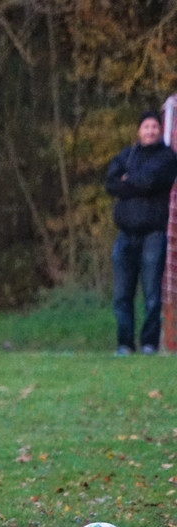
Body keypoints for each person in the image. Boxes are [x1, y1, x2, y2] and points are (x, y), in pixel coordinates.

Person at [105, 110, 177, 356]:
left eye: (154, 126)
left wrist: (127, 181)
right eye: (146, 127)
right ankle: (124, 344)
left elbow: (151, 181)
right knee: (122, 294)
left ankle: (149, 344)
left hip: (153, 235)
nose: (150, 131)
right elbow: (111, 183)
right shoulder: (126, 154)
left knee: (152, 295)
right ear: (139, 130)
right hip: (125, 234)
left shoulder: (167, 158)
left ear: (160, 130)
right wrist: (132, 182)